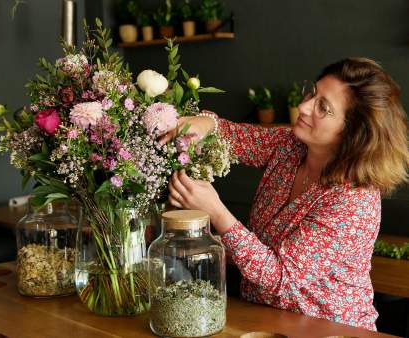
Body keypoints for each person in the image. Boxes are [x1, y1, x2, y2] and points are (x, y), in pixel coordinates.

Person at [159, 58, 409, 330]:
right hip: (264, 320)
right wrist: (205, 123)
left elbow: (281, 277)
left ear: (353, 133)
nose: (303, 106)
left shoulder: (354, 200)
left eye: (323, 107)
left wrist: (217, 213)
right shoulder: (291, 146)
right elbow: (232, 137)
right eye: (312, 93)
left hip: (329, 329)